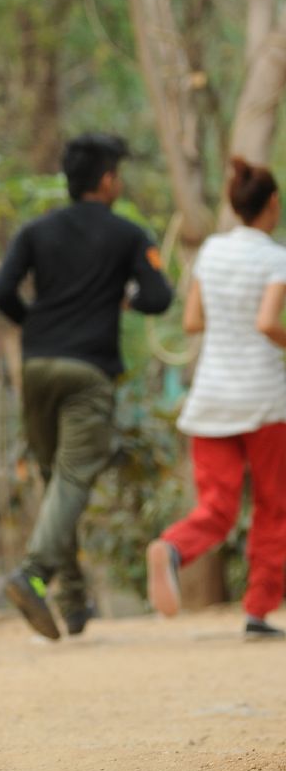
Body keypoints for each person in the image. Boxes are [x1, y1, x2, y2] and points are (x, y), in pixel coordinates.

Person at [0, 131, 173, 640]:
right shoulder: (129, 235)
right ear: (108, 180)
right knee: (72, 479)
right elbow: (160, 296)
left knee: (55, 480)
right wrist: (127, 298)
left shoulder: (36, 231)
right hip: (88, 372)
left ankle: (71, 602)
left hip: (38, 367)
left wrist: (34, 325)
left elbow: (0, 290)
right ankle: (32, 575)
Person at [146, 158, 286, 641]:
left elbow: (192, 322)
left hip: (211, 399)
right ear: (272, 204)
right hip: (264, 400)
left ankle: (172, 548)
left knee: (218, 507)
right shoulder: (276, 258)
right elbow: (266, 323)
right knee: (273, 507)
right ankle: (258, 611)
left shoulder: (211, 251)